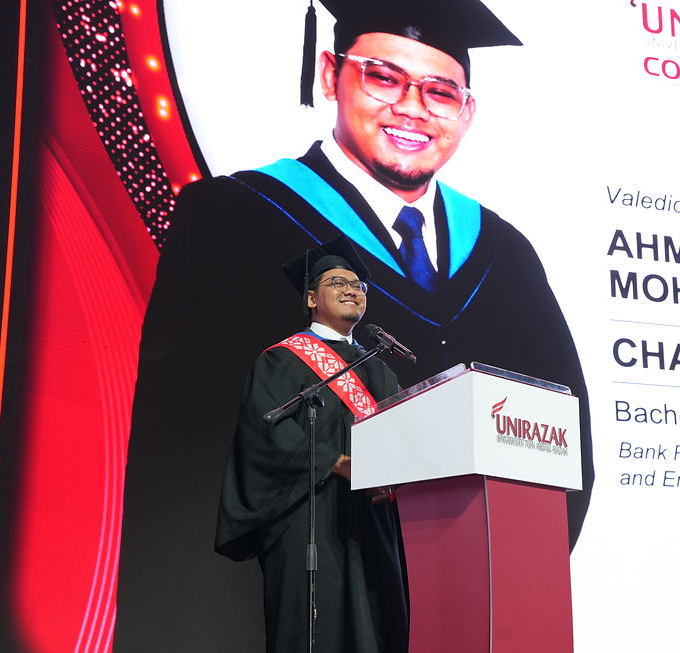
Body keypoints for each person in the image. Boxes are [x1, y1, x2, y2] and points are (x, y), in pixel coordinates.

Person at [116, 1, 593, 651]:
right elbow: (181, 466)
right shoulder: (235, 220)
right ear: (329, 75)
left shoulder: (504, 255)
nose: (412, 108)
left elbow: (564, 451)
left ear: (466, 112)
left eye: (440, 91)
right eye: (383, 77)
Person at [215, 237, 408, 653]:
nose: (351, 290)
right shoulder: (282, 360)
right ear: (310, 298)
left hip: (373, 523)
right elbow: (265, 433)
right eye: (337, 282)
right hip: (311, 519)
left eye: (358, 285)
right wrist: (335, 461)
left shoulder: (379, 370)